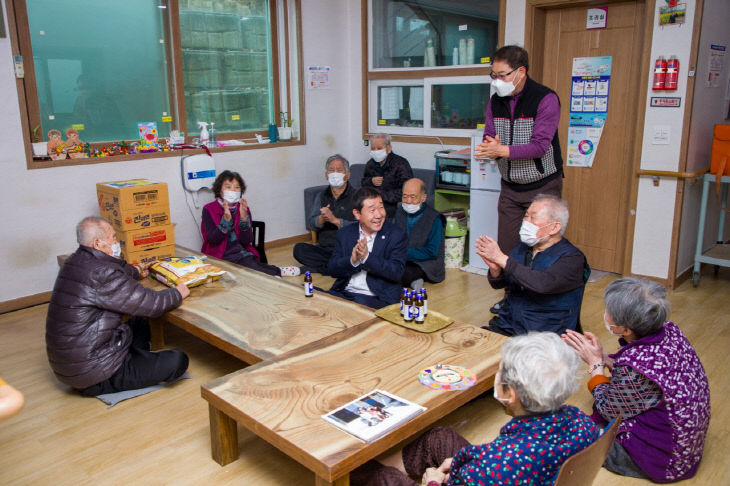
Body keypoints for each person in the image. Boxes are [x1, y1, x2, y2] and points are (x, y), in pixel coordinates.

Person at [350, 332, 599, 486]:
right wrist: (463, 462)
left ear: (510, 394)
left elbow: (499, 463)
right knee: (439, 438)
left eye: (499, 372)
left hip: (494, 475)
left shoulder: (497, 466)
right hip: (520, 471)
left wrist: (435, 482)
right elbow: (504, 454)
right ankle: (371, 471)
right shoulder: (581, 422)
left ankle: (364, 474)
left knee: (384, 479)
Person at [562, 277, 710, 483]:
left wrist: (595, 365)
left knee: (572, 429)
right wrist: (603, 356)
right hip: (687, 445)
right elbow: (644, 382)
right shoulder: (670, 330)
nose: (605, 314)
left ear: (626, 330)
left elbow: (607, 407)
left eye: (608, 312)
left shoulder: (635, 368)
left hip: (665, 459)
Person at [46, 217, 190, 396]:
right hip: (94, 373)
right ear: (98, 243)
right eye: (113, 238)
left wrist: (135, 271)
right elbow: (152, 304)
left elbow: (114, 269)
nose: (116, 242)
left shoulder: (75, 262)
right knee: (177, 360)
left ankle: (137, 360)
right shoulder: (102, 273)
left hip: (71, 363)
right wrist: (178, 293)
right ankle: (130, 366)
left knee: (138, 320)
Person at [475, 45, 563, 315]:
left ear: (520, 72)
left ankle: (540, 303)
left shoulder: (545, 99)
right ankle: (511, 299)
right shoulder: (495, 101)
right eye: (493, 75)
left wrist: (500, 151)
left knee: (541, 245)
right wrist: (491, 146)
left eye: (502, 75)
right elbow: (489, 137)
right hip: (510, 187)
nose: (496, 82)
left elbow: (539, 146)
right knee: (509, 246)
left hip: (543, 184)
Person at [476, 194, 589, 336]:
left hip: (546, 335)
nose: (526, 222)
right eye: (526, 216)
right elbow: (501, 284)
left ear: (554, 227)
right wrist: (496, 270)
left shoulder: (572, 258)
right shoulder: (521, 247)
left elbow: (542, 284)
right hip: (509, 325)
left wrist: (502, 259)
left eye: (533, 218)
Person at [201, 170, 298, 277]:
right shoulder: (209, 209)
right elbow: (213, 240)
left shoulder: (243, 209)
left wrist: (243, 220)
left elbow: (247, 241)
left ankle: (273, 274)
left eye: (237, 187)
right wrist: (226, 220)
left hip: (240, 254)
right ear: (220, 190)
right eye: (228, 187)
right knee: (249, 269)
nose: (233, 190)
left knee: (249, 265)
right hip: (219, 255)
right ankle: (277, 272)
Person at [327, 186, 408, 308]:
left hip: (376, 297)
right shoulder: (345, 233)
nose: (379, 214)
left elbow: (396, 272)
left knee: (352, 307)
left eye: (381, 207)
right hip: (344, 293)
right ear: (357, 214)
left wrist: (367, 258)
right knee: (309, 293)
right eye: (372, 210)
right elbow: (332, 269)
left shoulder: (396, 234)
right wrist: (352, 261)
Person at [293, 154, 357, 274]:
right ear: (326, 175)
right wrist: (321, 219)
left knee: (356, 258)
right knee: (299, 249)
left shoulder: (358, 196)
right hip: (325, 248)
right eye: (331, 170)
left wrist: (335, 220)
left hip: (348, 249)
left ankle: (319, 268)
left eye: (339, 170)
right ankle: (335, 267)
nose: (335, 173)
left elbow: (362, 226)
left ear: (347, 175)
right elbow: (311, 223)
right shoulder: (321, 195)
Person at [394, 178, 445, 290]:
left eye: (413, 197)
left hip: (426, 263)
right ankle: (414, 282)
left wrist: (402, 253)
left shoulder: (434, 218)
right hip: (402, 259)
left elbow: (432, 251)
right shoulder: (399, 213)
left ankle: (415, 280)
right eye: (405, 196)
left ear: (423, 198)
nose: (408, 201)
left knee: (398, 274)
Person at [361, 133, 413, 219]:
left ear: (389, 149)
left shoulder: (401, 164)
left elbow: (406, 191)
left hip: (392, 205)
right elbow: (363, 182)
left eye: (379, 148)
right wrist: (371, 181)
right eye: (373, 148)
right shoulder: (370, 164)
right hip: (372, 204)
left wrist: (382, 195)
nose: (376, 151)